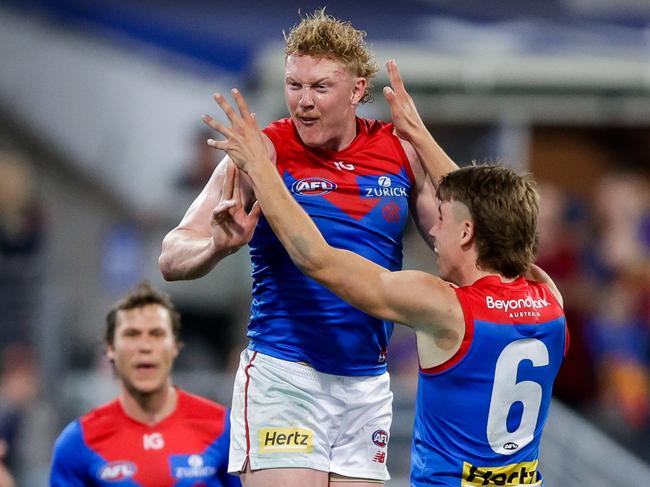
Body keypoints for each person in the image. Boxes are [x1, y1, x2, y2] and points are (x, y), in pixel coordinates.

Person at [204, 61, 568, 486]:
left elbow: (317, 259)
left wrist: (262, 170)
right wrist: (418, 134)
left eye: (444, 220)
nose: (432, 228)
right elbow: (497, 223)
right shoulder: (549, 300)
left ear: (468, 232)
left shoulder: (443, 306)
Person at [159, 9, 455, 487]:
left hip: (367, 383)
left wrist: (422, 135)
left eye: (320, 87)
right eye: (294, 86)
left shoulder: (400, 151)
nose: (303, 102)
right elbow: (171, 255)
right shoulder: (263, 151)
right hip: (285, 375)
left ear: (358, 90)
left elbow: (470, 236)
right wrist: (215, 247)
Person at [50, 282, 240, 487]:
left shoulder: (223, 428)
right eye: (132, 334)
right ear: (110, 349)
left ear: (175, 346)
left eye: (157, 334)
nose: (145, 346)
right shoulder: (78, 441)